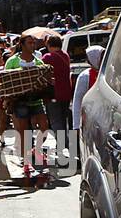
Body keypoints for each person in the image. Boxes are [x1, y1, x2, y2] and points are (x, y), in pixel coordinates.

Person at [0, 35, 52, 174]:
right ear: (22, 44)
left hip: (36, 100)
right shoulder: (12, 61)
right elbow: (6, 82)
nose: (33, 45)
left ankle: (36, 150)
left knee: (44, 127)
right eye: (30, 42)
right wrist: (7, 101)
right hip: (19, 102)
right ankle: (27, 163)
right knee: (24, 133)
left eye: (34, 43)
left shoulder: (38, 61)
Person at [41, 34, 74, 171]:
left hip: (53, 94)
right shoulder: (65, 55)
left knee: (56, 123)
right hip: (66, 93)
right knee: (63, 122)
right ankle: (66, 149)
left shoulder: (47, 57)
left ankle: (63, 152)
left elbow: (41, 74)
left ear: (48, 45)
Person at [71, 45, 104, 173]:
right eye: (100, 57)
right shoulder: (85, 76)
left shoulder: (108, 73)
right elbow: (78, 100)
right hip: (89, 119)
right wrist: (76, 124)